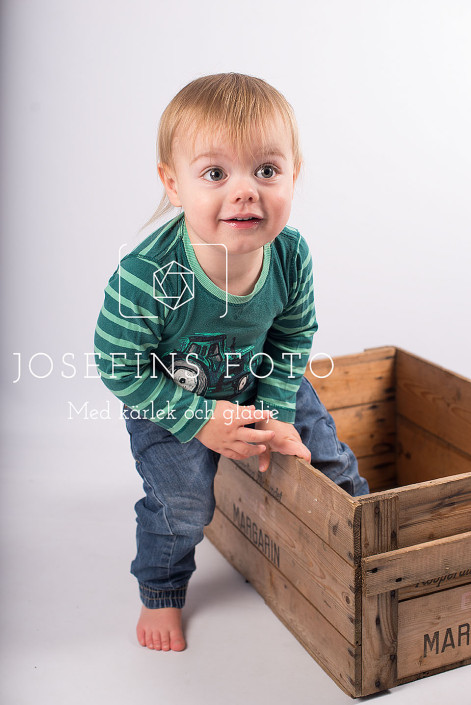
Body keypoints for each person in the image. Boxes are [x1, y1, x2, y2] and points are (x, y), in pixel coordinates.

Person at [93, 72, 369, 653]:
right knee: (185, 504)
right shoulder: (148, 276)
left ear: (294, 175)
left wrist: (274, 411)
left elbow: (291, 336)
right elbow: (120, 365)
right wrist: (201, 420)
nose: (245, 191)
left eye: (266, 170)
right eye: (216, 174)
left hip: (258, 378)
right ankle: (161, 590)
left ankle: (368, 543)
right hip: (170, 398)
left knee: (325, 454)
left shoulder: (290, 254)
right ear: (174, 184)